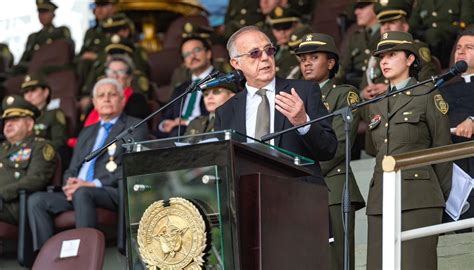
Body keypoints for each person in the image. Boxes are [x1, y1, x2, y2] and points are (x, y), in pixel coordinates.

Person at [27, 78, 149, 252]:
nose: (106, 98)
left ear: (122, 101)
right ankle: (46, 258)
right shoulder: (87, 131)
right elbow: (72, 167)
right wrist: (69, 184)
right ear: (94, 103)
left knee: (83, 193)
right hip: (79, 190)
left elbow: (134, 166)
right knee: (36, 200)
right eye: (101, 95)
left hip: (111, 191)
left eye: (112, 95)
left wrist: (92, 184)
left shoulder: (134, 126)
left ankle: (84, 256)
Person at [365, 31, 452, 269]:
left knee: (416, 264)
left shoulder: (427, 94)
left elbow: (443, 150)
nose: (384, 61)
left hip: (419, 197)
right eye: (381, 56)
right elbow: (374, 148)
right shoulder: (376, 102)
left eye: (392, 55)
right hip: (381, 198)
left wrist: (438, 198)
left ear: (410, 59)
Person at [215, 26, 337, 183]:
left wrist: (303, 123)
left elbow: (328, 149)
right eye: (255, 54)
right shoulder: (225, 112)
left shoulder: (303, 91)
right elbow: (223, 167)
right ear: (236, 63)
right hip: (248, 198)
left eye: (269, 50)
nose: (265, 57)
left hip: (299, 197)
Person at [294, 33, 365, 270]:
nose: (306, 63)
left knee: (336, 262)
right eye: (302, 59)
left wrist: (301, 174)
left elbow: (339, 146)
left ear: (331, 62)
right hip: (299, 191)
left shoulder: (343, 95)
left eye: (314, 57)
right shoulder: (294, 97)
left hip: (332, 189)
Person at [360, 0, 438, 100]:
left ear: (405, 27)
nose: (386, 27)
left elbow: (427, 82)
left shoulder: (416, 48)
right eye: (383, 24)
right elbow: (363, 86)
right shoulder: (376, 53)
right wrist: (364, 93)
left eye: (392, 22)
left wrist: (391, 90)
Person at [0, 95, 56, 225]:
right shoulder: (2, 148)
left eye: (15, 119)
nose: (8, 124)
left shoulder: (40, 146)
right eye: (6, 120)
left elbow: (36, 179)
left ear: (29, 124)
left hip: (15, 205)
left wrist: (2, 193)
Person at [156, 30, 217, 138]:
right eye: (187, 54)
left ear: (208, 53)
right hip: (176, 134)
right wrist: (165, 125)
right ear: (184, 63)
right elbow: (166, 116)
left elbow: (220, 116)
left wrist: (186, 123)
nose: (192, 56)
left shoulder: (221, 80)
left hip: (205, 133)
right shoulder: (181, 88)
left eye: (196, 50)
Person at [441, 28, 474, 224]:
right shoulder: (440, 86)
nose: (460, 51)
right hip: (452, 167)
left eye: (469, 47)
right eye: (458, 47)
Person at [13, 0, 72, 75]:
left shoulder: (61, 31)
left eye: (45, 12)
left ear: (53, 14)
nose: (42, 15)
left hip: (51, 69)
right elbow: (24, 59)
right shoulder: (33, 37)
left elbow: (66, 55)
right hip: (32, 70)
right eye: (40, 12)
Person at [409, 0, 473, 68]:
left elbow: (466, 23)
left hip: (450, 40)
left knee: (432, 35)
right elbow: (413, 23)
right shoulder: (422, 1)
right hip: (425, 38)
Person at [21, 73, 68, 152]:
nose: (29, 95)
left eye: (33, 90)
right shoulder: (21, 118)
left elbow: (60, 143)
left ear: (45, 92)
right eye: (26, 92)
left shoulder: (54, 114)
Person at [340, 0, 380, 88]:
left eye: (362, 7)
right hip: (356, 87)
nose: (356, 12)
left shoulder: (386, 33)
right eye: (356, 8)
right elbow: (343, 66)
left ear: (377, 6)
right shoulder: (355, 37)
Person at [268, 6, 303, 78]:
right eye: (277, 29)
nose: (282, 32)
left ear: (296, 26)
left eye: (286, 27)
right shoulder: (270, 49)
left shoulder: (300, 50)